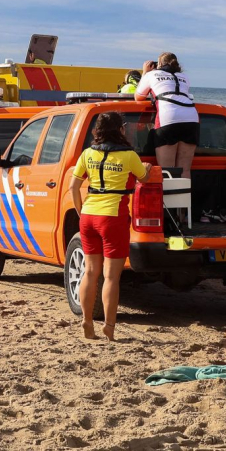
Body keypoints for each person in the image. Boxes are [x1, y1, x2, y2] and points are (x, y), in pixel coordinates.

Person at [69, 112, 151, 341]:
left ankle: (86, 321)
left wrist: (80, 212)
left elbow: (73, 187)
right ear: (121, 129)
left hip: (88, 216)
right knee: (111, 277)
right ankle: (109, 326)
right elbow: (143, 178)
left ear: (98, 131)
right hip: (112, 217)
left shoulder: (88, 153)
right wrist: (147, 167)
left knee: (90, 272)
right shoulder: (129, 155)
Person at [134, 52, 199, 177]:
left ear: (159, 64)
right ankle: (184, 197)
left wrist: (145, 73)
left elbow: (138, 97)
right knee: (184, 169)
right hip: (191, 117)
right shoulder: (184, 76)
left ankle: (167, 197)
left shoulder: (151, 75)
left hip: (169, 117)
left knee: (167, 170)